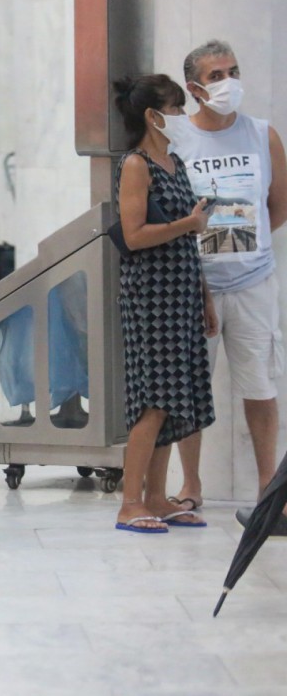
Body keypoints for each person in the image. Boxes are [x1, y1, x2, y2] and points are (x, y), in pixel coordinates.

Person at [164, 41, 287, 525]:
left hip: (254, 281)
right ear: (194, 88)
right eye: (216, 75)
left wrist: (244, 241)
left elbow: (279, 204)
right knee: (192, 388)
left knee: (259, 384)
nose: (227, 81)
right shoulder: (178, 138)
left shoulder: (262, 134)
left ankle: (267, 492)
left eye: (233, 71)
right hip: (196, 283)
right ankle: (190, 485)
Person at [111, 74, 216, 533]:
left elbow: (189, 238)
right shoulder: (136, 165)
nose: (183, 116)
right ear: (154, 116)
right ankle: (130, 500)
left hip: (180, 293)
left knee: (174, 399)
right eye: (176, 108)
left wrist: (204, 298)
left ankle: (157, 494)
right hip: (150, 297)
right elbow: (133, 236)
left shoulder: (175, 162)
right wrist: (188, 225)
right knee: (153, 400)